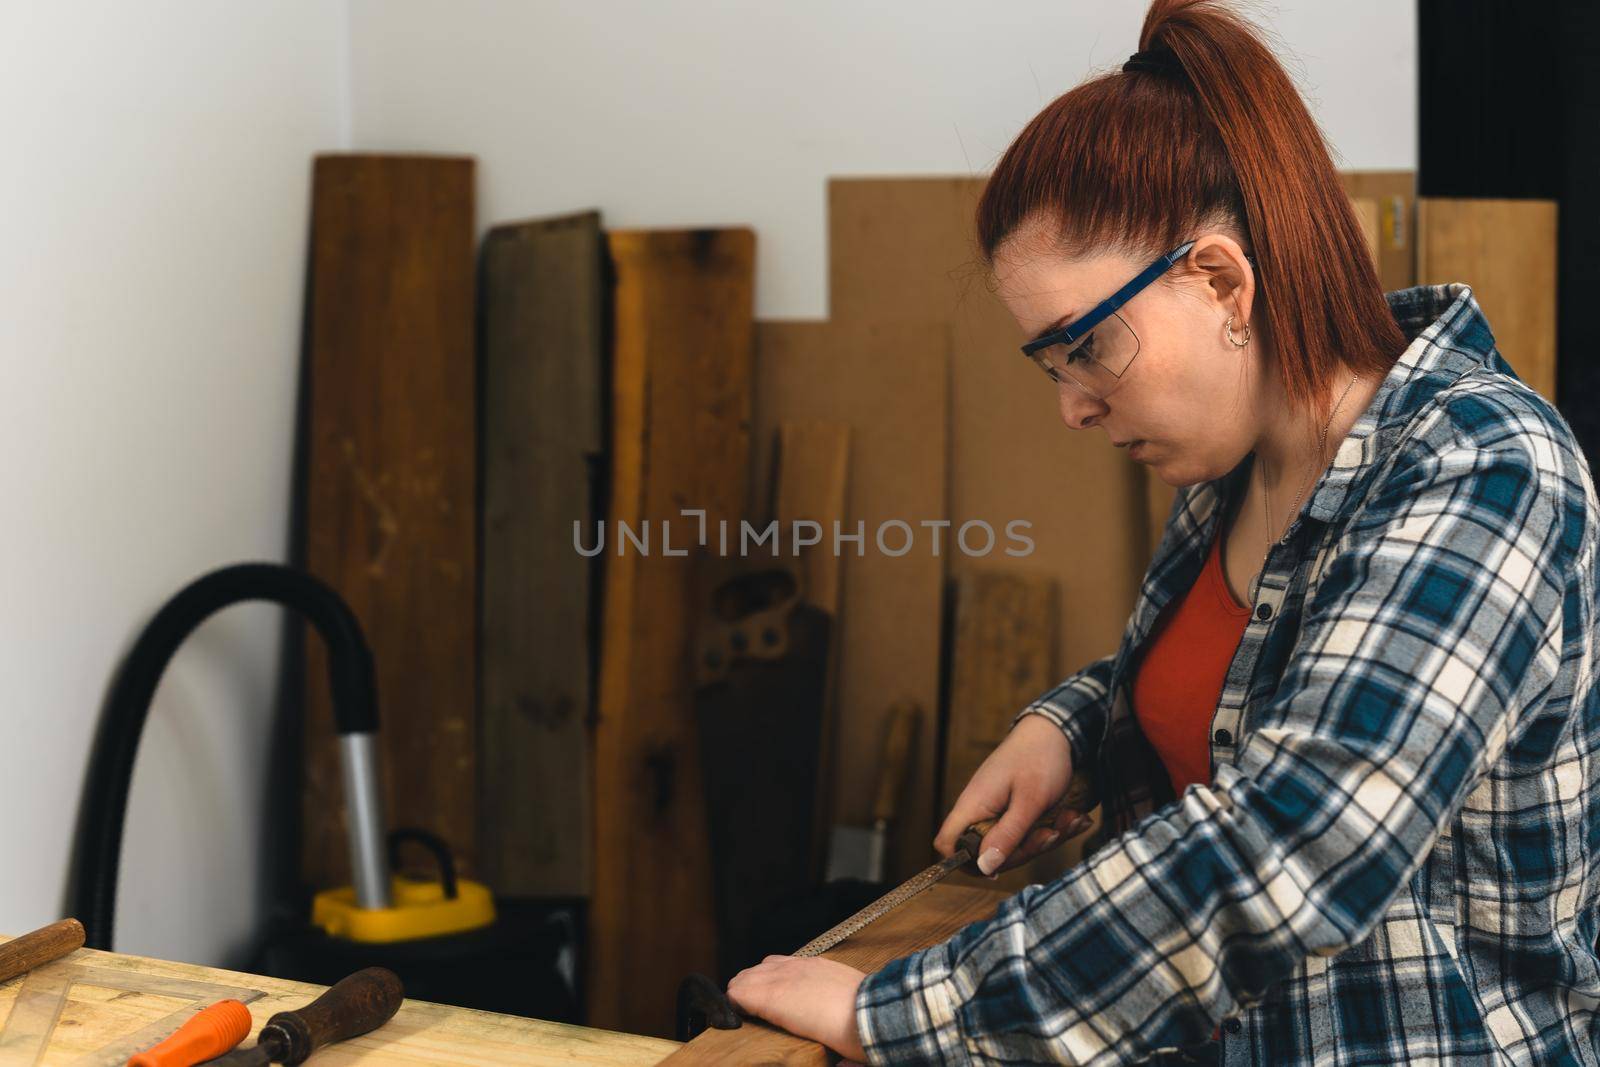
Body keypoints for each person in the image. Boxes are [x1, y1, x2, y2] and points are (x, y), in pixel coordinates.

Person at [724, 0, 1600, 1062]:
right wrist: (1079, 726)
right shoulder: (1231, 472)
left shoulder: (1481, 467)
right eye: (1048, 363)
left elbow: (1291, 846)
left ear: (1223, 281)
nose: (1071, 406)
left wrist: (901, 1011)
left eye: (1088, 346)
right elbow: (1264, 681)